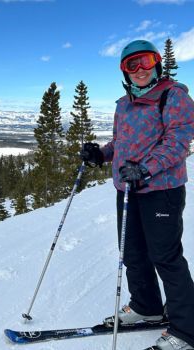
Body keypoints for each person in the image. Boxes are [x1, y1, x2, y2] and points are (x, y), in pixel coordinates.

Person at [81, 39, 194, 350]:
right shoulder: (124, 103)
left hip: (161, 190)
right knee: (132, 253)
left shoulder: (174, 97)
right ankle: (147, 305)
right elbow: (121, 144)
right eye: (133, 65)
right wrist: (100, 155)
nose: (140, 70)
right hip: (128, 189)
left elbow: (179, 141)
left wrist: (146, 168)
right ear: (125, 71)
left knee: (166, 257)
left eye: (146, 61)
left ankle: (187, 330)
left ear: (156, 63)